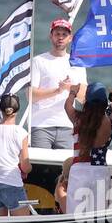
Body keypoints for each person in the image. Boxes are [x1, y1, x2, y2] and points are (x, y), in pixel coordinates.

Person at [29, 18, 87, 149]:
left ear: (70, 38)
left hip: (67, 125)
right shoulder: (38, 61)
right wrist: (58, 91)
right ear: (51, 36)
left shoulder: (77, 63)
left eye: (64, 34)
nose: (60, 37)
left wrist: (69, 88)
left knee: (65, 168)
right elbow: (31, 95)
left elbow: (83, 97)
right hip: (40, 125)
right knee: (40, 167)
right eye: (57, 34)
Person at [62, 83, 112, 214]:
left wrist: (72, 92)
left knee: (75, 215)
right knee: (98, 216)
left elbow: (67, 106)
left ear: (86, 101)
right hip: (100, 171)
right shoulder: (110, 121)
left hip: (79, 171)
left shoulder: (78, 118)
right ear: (105, 102)